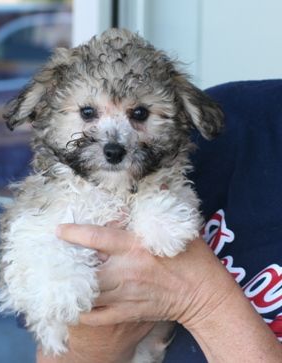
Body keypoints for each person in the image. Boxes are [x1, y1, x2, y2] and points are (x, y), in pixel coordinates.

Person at [37, 80, 282, 362]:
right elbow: (53, 355)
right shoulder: (234, 122)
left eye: (138, 115)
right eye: (89, 113)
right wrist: (94, 336)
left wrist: (200, 299)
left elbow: (190, 287)